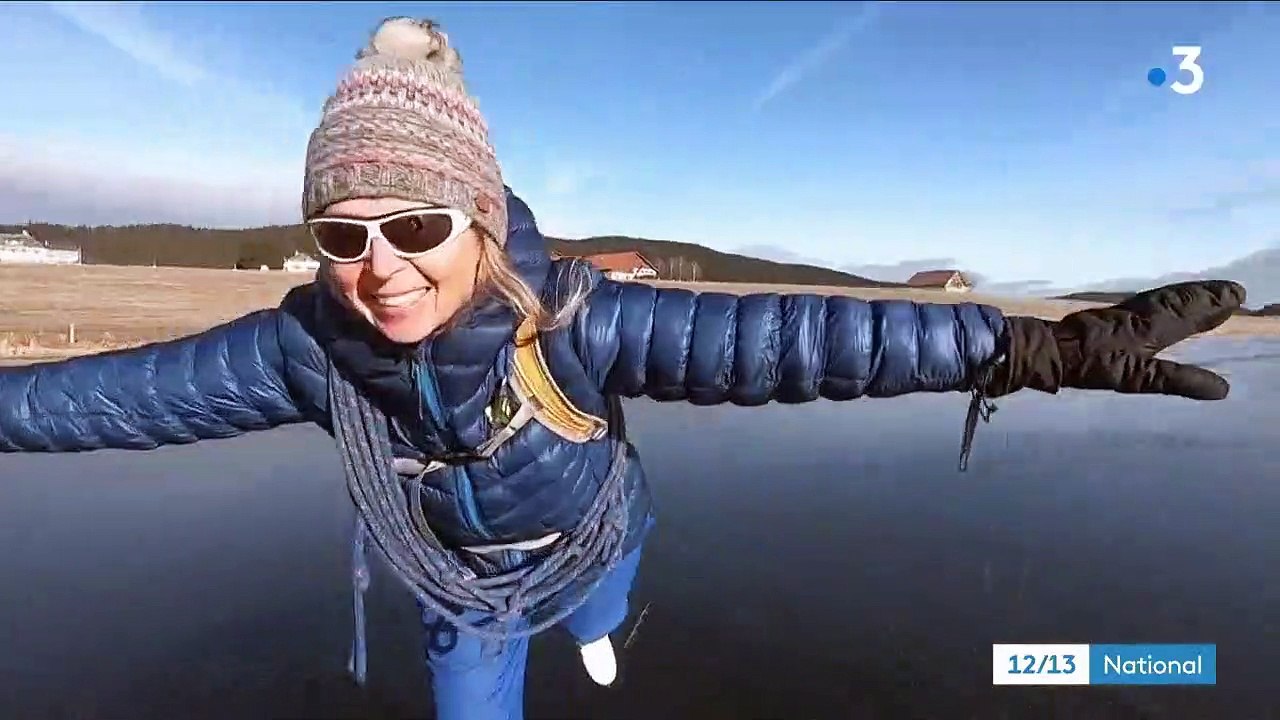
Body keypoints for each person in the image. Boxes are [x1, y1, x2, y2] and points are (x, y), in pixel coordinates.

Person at [0, 16, 1246, 720]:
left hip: (593, 531)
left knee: (598, 612)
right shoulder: (305, 348)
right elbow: (101, 397)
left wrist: (1022, 344)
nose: (380, 265)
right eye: (343, 234)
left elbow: (801, 341)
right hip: (458, 585)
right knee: (473, 694)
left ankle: (598, 629)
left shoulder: (578, 319)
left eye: (417, 225)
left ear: (480, 225)